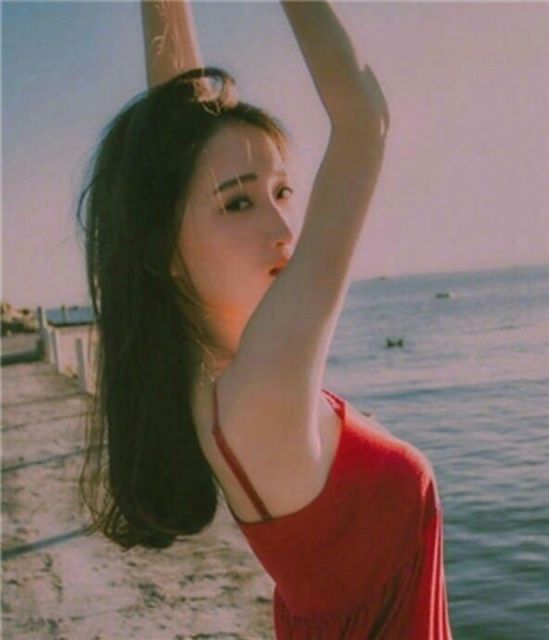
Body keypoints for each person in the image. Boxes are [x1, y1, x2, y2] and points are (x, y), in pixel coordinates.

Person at [77, 1, 452, 637]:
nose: (284, 229)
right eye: (238, 203)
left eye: (282, 192)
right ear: (163, 248)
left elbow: (168, 154)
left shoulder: (212, 379)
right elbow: (364, 122)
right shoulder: (262, 390)